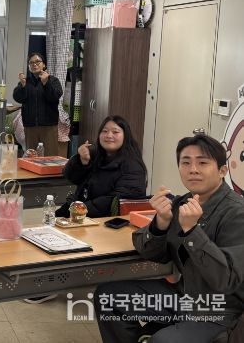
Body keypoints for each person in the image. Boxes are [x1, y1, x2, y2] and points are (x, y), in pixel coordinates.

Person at [95, 134, 244, 342]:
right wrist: (160, 223)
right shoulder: (182, 204)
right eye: (186, 162)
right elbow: (151, 253)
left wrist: (191, 231)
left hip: (220, 309)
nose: (193, 169)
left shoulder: (237, 213)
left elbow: (225, 280)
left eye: (202, 162)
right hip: (183, 296)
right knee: (108, 297)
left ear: (222, 171)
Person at [56, 115, 148, 218]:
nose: (109, 135)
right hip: (80, 212)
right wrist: (82, 161)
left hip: (103, 219)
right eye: (104, 131)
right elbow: (71, 178)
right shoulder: (95, 154)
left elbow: (114, 203)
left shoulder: (133, 167)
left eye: (115, 132)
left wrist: (79, 209)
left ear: (126, 136)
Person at [12, 52, 63, 156]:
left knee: (50, 157)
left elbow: (55, 96)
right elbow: (18, 98)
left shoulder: (53, 80)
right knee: (31, 156)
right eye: (31, 63)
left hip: (49, 126)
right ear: (29, 66)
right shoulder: (25, 82)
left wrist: (46, 83)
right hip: (30, 126)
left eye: (37, 62)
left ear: (44, 64)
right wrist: (22, 86)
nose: (34, 64)